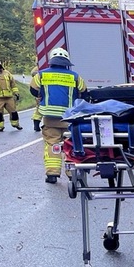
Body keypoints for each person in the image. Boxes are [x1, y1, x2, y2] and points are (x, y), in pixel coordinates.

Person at [30, 48, 87, 184]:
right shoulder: (75, 77)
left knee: (52, 143)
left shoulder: (41, 75)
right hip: (70, 118)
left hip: (50, 118)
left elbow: (33, 90)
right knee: (71, 144)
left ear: (52, 61)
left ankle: (52, 174)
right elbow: (84, 93)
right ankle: (72, 173)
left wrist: (43, 95)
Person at [30, 66, 43, 132]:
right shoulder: (38, 67)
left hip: (37, 89)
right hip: (39, 89)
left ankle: (36, 123)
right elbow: (33, 73)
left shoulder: (40, 66)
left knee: (39, 107)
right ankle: (36, 124)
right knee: (40, 107)